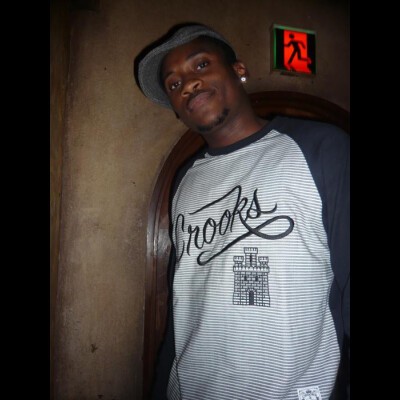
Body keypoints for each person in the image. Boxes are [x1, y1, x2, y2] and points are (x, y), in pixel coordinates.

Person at [136, 23, 349, 400]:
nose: (188, 84)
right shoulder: (185, 179)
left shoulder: (320, 148)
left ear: (239, 70)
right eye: (174, 84)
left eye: (201, 65)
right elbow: (183, 300)